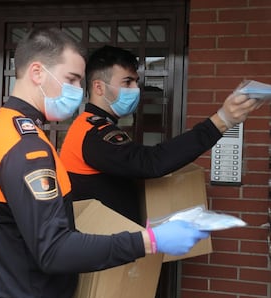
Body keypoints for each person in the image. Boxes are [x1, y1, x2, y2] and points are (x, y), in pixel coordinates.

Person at [0, 28, 210, 298]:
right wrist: (149, 241)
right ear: (37, 72)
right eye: (71, 79)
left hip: (3, 297)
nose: (77, 91)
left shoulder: (1, 128)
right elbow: (54, 251)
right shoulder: (28, 149)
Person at [60, 45, 264, 223]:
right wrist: (221, 121)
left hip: (109, 242)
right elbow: (151, 162)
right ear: (99, 87)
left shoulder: (97, 126)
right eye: (128, 82)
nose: (136, 89)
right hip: (100, 250)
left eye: (136, 82)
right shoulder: (93, 134)